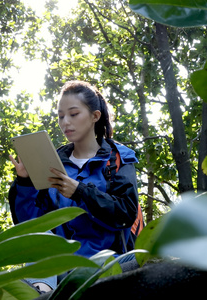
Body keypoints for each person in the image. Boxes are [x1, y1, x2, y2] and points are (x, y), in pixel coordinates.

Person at [8, 80, 140, 292]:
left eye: (73, 114)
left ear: (95, 116)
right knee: (40, 249)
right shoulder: (52, 162)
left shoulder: (118, 159)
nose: (65, 122)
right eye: (60, 116)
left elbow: (125, 213)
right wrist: (25, 182)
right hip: (57, 262)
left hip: (103, 260)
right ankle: (41, 291)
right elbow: (33, 226)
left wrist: (80, 192)